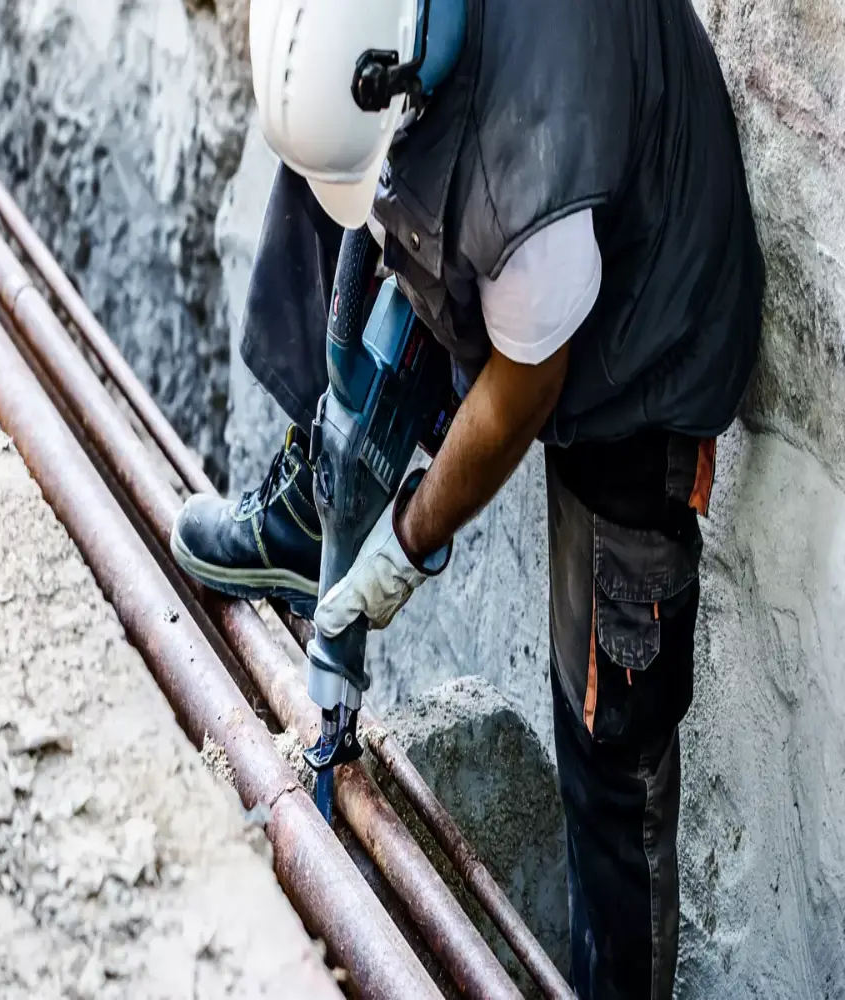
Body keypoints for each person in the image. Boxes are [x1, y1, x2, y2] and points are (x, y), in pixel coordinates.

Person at [171, 0, 765, 995]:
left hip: (644, 342)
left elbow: (525, 384)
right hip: (508, 166)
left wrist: (405, 542)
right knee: (328, 170)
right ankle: (311, 507)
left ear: (406, 76)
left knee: (608, 732)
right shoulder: (367, 34)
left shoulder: (532, 179)